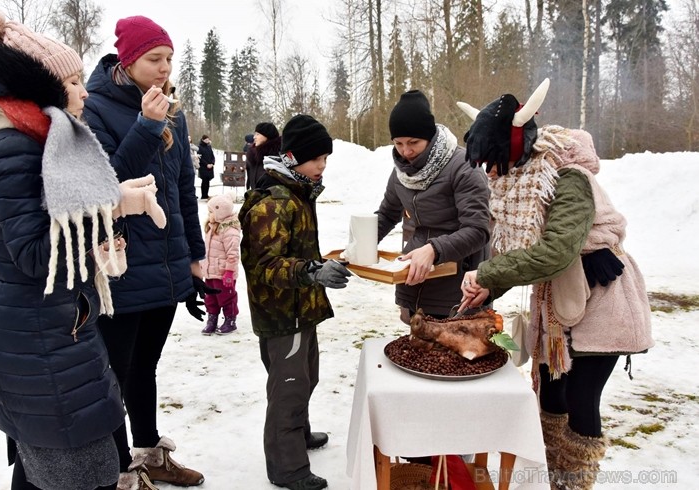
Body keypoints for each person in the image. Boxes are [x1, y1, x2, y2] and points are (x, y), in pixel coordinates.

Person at [0, 9, 165, 490]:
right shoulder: (14, 147)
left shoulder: (33, 142)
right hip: (37, 338)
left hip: (51, 330)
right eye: (72, 82)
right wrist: (113, 211)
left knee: (52, 473)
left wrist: (110, 199)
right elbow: (36, 257)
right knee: (73, 475)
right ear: (41, 90)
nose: (84, 91)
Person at [456, 79, 654, 490]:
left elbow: (555, 253)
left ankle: (574, 482)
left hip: (601, 302)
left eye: (493, 161)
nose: (490, 172)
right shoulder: (521, 184)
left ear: (513, 149)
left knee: (581, 401)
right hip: (559, 307)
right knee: (550, 395)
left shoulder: (568, 180)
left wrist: (488, 275)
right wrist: (489, 289)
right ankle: (551, 477)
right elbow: (524, 252)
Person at [82, 15, 209, 488]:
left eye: (169, 59)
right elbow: (106, 186)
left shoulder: (172, 110)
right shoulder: (94, 108)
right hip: (123, 264)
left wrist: (194, 259)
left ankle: (150, 452)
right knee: (117, 370)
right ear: (129, 60)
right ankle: (119, 469)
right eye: (155, 59)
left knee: (146, 367)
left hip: (166, 264)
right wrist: (145, 126)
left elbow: (182, 191)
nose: (164, 67)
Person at [239, 114, 351, 490]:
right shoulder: (274, 201)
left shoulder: (299, 192)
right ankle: (287, 467)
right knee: (288, 388)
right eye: (316, 158)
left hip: (302, 308)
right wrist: (312, 272)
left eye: (325, 159)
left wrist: (320, 267)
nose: (322, 166)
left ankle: (298, 435)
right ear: (291, 157)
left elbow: (298, 250)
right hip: (281, 312)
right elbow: (264, 267)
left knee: (308, 377)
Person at [375, 89, 491, 324]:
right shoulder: (400, 173)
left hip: (458, 285)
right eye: (398, 143)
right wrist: (360, 243)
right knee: (418, 351)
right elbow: (387, 214)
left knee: (454, 354)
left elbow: (478, 230)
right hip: (413, 279)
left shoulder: (464, 166)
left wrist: (433, 250)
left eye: (413, 142)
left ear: (430, 137)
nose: (405, 152)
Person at [201, 194, 241, 335]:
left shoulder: (230, 231)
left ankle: (230, 320)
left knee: (226, 297)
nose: (209, 214)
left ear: (220, 213)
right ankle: (212, 319)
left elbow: (233, 255)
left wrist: (229, 272)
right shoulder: (212, 228)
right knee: (210, 297)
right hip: (210, 272)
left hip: (224, 274)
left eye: (211, 212)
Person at [245, 122, 281, 190]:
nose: (254, 137)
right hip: (255, 197)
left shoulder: (277, 157)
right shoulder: (252, 155)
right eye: (255, 134)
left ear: (267, 136)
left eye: (257, 134)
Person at [197, 134, 215, 200]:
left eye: (208, 139)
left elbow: (212, 156)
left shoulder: (209, 146)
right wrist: (206, 164)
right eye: (206, 140)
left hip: (210, 166)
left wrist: (212, 163)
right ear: (202, 140)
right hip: (203, 167)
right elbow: (200, 158)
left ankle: (206, 194)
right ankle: (203, 195)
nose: (207, 141)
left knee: (208, 181)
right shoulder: (200, 147)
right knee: (204, 180)